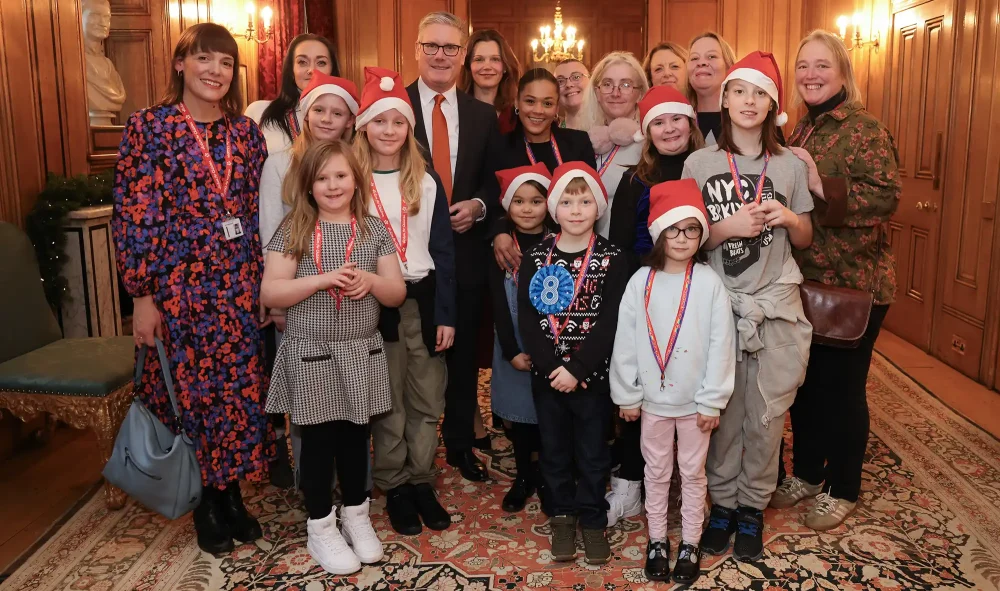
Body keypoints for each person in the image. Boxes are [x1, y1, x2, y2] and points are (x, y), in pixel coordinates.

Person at [111, 23, 271, 556]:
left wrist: (266, 285)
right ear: (181, 64)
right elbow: (136, 215)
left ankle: (232, 496)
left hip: (238, 285)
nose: (215, 71)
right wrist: (141, 295)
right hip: (178, 288)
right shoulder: (148, 129)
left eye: (225, 63)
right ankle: (204, 498)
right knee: (191, 396)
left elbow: (258, 213)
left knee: (237, 394)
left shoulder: (246, 135)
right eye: (204, 59)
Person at [681, 51, 814, 562]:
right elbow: (685, 237)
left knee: (766, 414)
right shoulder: (701, 162)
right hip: (720, 305)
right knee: (721, 412)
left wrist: (786, 216)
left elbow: (805, 237)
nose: (749, 102)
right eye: (740, 91)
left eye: (760, 94)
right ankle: (722, 506)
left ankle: (752, 508)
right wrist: (724, 228)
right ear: (726, 99)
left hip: (775, 306)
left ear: (773, 105)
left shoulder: (789, 165)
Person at [770, 30, 901, 531]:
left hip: (853, 286)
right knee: (804, 386)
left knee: (843, 391)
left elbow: (887, 198)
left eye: (821, 65)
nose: (810, 75)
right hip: (805, 283)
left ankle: (843, 486)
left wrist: (820, 183)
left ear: (843, 70)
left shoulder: (863, 128)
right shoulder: (803, 129)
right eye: (803, 65)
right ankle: (805, 472)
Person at [261, 140, 405, 575]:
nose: (332, 185)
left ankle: (357, 515)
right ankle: (321, 523)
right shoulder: (294, 229)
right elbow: (271, 291)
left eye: (341, 176)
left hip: (359, 351)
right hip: (312, 353)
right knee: (320, 442)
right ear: (307, 186)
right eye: (322, 178)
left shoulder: (374, 229)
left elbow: (396, 292)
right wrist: (322, 279)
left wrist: (370, 281)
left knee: (355, 438)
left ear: (356, 179)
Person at [610, 178, 736, 585]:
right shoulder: (639, 283)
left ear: (701, 233)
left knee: (693, 472)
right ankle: (658, 539)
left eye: (691, 229)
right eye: (673, 229)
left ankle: (691, 542)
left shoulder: (709, 284)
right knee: (657, 471)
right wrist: (627, 394)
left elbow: (721, 345)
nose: (682, 238)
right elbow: (625, 343)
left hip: (696, 404)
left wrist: (712, 400)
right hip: (651, 403)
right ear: (658, 233)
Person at [355, 67, 458, 536]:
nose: (390, 131)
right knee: (388, 400)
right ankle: (393, 483)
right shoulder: (350, 181)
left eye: (399, 122)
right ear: (364, 126)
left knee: (426, 396)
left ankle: (421, 479)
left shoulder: (427, 180)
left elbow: (443, 251)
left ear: (409, 129)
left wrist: (447, 314)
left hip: (422, 301)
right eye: (380, 121)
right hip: (371, 306)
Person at [406, 11, 502, 482]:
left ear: (463, 57)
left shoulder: (483, 116)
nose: (441, 56)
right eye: (432, 46)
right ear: (416, 50)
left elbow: (494, 182)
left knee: (462, 361)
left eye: (450, 48)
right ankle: (407, 456)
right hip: (404, 259)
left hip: (465, 257)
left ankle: (460, 445)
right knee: (410, 361)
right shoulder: (394, 108)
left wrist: (480, 207)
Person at [604, 84, 705, 527]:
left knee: (693, 386)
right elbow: (622, 246)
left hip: (697, 291)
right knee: (643, 387)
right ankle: (630, 481)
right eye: (659, 122)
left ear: (690, 122)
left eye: (676, 119)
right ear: (647, 130)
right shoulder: (633, 179)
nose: (669, 128)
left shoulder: (707, 170)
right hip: (648, 294)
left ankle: (696, 484)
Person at [519, 162, 629, 565]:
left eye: (585, 201)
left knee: (594, 451)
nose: (577, 209)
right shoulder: (534, 258)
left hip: (592, 377)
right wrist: (552, 368)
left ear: (598, 206)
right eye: (567, 201)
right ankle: (562, 515)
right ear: (554, 207)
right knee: (554, 450)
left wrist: (578, 369)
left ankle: (593, 518)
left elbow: (611, 320)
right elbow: (528, 319)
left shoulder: (613, 258)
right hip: (548, 378)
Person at [257, 72, 359, 489]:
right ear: (304, 114)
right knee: (309, 400)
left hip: (352, 299)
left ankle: (353, 485)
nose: (327, 119)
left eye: (337, 112)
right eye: (319, 109)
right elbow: (268, 229)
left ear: (350, 121)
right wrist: (279, 303)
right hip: (297, 298)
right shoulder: (280, 162)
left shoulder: (354, 159)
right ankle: (313, 486)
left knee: (351, 397)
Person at [490, 164, 553, 513]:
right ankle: (523, 476)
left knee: (546, 413)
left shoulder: (559, 242)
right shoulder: (500, 247)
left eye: (536, 200)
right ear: (507, 205)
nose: (527, 208)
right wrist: (511, 350)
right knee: (521, 414)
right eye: (519, 201)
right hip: (511, 341)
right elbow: (497, 301)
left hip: (550, 341)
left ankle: (546, 474)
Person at [489, 68, 595, 272]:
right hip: (515, 254)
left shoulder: (578, 143)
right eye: (530, 101)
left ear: (557, 107)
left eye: (547, 103)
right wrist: (499, 233)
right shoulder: (500, 146)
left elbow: (588, 200)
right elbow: (491, 197)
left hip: (572, 252)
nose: (538, 110)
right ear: (517, 103)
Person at [578, 51, 650, 238]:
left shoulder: (650, 145)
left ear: (639, 93)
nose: (616, 93)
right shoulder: (585, 141)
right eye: (607, 84)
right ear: (597, 92)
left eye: (626, 85)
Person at [246, 34, 340, 155]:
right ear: (291, 70)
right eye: (302, 62)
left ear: (332, 71)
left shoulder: (344, 118)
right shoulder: (258, 111)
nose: (312, 70)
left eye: (321, 63)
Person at [460, 29, 522, 134]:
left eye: (495, 59)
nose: (487, 67)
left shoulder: (518, 114)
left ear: (505, 66)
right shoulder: (456, 110)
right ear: (469, 66)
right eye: (479, 59)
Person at [686, 32, 736, 144]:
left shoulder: (749, 118)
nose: (701, 63)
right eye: (694, 58)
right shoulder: (677, 121)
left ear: (729, 66)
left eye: (711, 56)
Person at [554, 58, 590, 130]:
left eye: (576, 77)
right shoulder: (553, 136)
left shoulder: (609, 128)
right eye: (560, 81)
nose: (568, 84)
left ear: (591, 80)